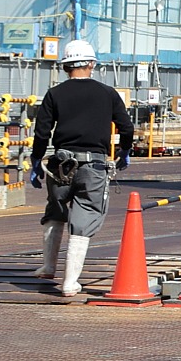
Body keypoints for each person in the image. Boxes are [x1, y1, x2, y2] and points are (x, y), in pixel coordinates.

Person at [31, 38, 136, 296]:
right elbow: (127, 127)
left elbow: (42, 132)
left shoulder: (54, 93)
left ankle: (47, 266)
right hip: (93, 164)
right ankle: (70, 282)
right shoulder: (107, 93)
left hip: (60, 164)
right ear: (91, 63)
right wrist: (124, 150)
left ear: (66, 67)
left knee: (55, 209)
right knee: (85, 213)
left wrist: (36, 161)